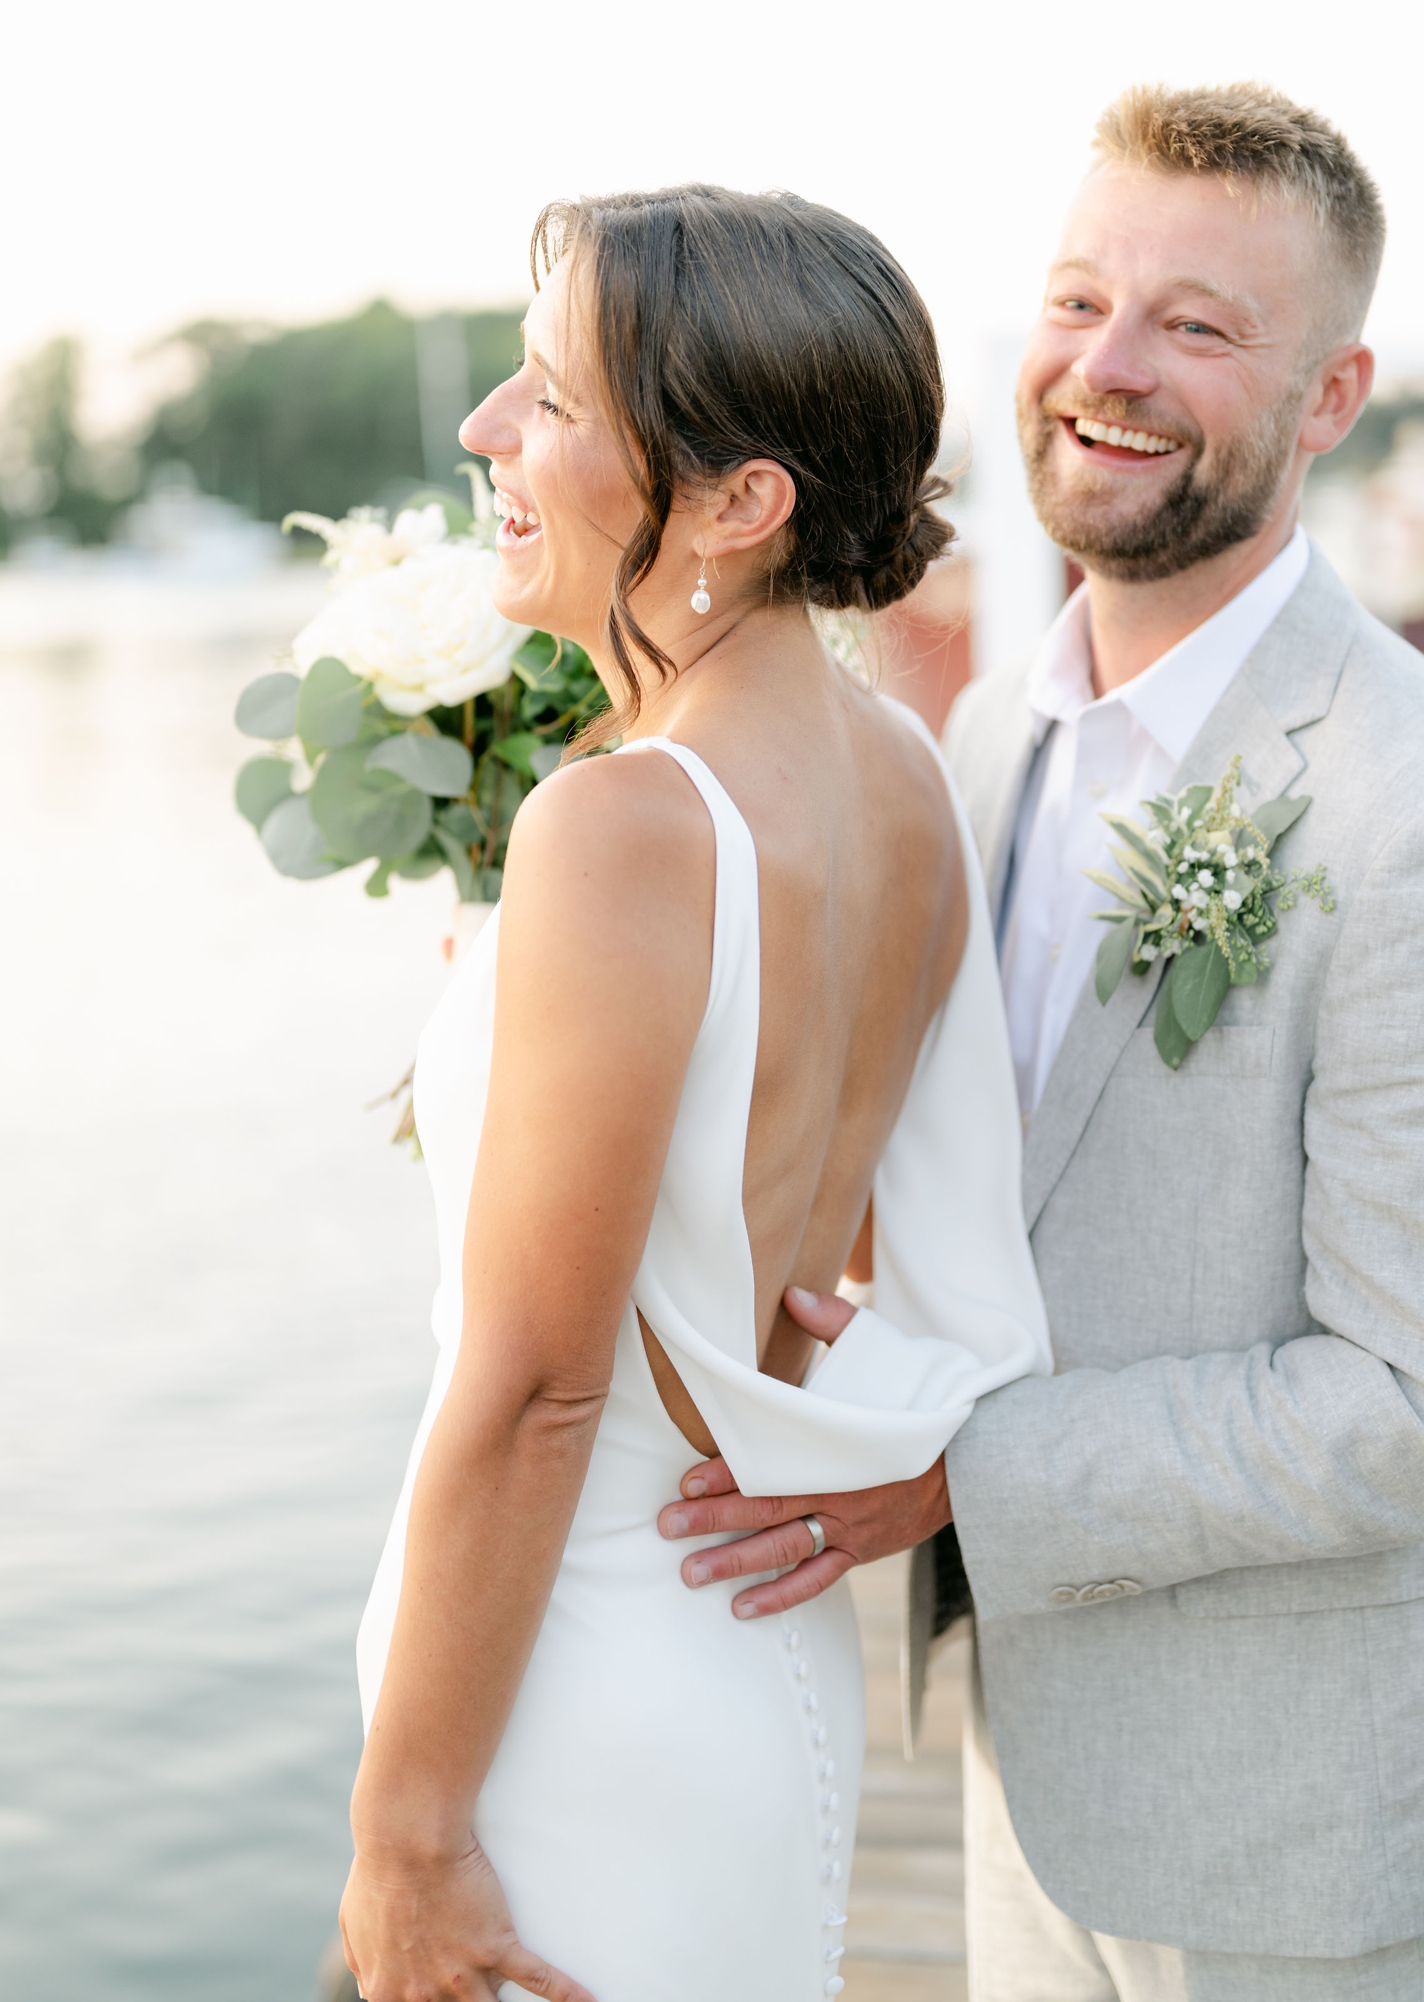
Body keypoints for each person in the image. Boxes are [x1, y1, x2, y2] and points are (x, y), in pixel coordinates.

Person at [664, 87, 1424, 1998]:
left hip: (1294, 1826)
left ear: (1332, 395)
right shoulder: (991, 740)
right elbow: (995, 1187)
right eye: (1076, 299)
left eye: (1197, 325)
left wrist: (965, 1478)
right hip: (1018, 1761)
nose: (1108, 367)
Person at [340, 185, 1052, 2002]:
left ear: (741, 503)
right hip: (752, 1661)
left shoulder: (624, 826)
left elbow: (538, 1389)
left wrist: (409, 1830)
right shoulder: (901, 774)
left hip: (571, 1696)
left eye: (552, 399)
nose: (486, 430)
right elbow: (820, 1220)